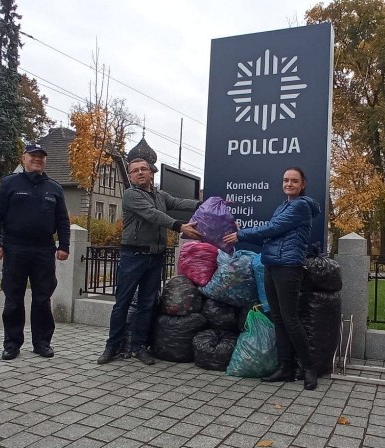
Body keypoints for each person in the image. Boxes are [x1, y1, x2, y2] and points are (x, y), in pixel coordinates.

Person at [223, 167, 321, 390]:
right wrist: (242, 235)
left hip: (288, 267)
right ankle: (284, 368)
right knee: (278, 318)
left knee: (290, 319)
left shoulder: (301, 206)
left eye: (294, 181)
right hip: (271, 266)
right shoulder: (282, 207)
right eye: (286, 180)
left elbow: (273, 228)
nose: (289, 184)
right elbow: (272, 238)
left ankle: (308, 368)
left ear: (303, 184)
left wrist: (242, 234)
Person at [97, 158, 202, 365]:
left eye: (143, 169)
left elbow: (179, 203)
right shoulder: (130, 195)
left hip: (155, 256)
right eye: (135, 171)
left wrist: (204, 203)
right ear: (130, 176)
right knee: (122, 303)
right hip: (133, 256)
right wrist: (179, 226)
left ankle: (139, 347)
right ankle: (112, 347)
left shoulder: (160, 195)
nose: (140, 173)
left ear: (151, 172)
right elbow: (152, 215)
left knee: (147, 304)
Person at [0, 143, 70, 361]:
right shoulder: (9, 184)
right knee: (13, 298)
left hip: (44, 249)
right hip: (14, 248)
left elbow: (63, 220)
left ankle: (42, 343)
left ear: (45, 161)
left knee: (43, 298)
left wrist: (64, 246)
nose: (37, 159)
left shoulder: (54, 188)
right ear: (24, 158)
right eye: (33, 156)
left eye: (41, 157)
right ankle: (12, 344)